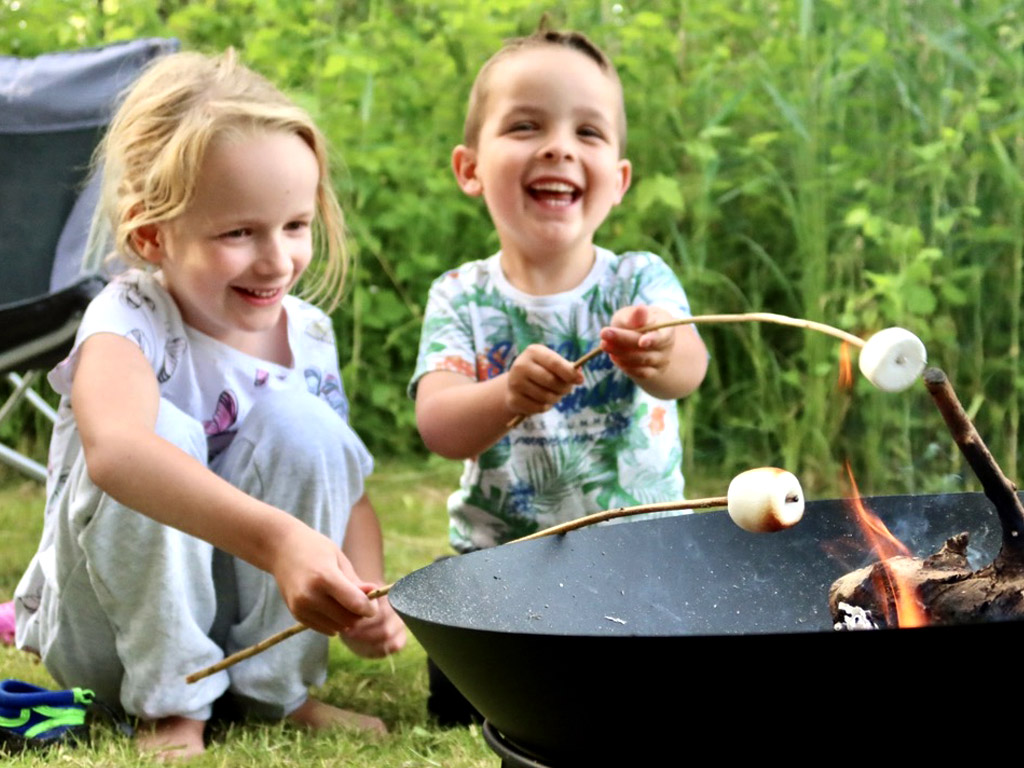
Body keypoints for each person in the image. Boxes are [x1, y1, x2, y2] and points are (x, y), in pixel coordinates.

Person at [13, 49, 405, 759]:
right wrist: (282, 541)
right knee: (155, 439)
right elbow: (118, 456)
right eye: (239, 233)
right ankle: (173, 705)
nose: (277, 260)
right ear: (150, 236)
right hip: (110, 634)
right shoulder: (126, 318)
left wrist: (363, 592)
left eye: (294, 225)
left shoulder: (307, 335)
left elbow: (346, 494)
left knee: (306, 428)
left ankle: (275, 691)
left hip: (240, 620)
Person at [408, 27, 708, 721]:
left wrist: (660, 354)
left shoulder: (639, 280)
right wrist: (505, 395)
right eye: (524, 125)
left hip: (638, 561)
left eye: (588, 132)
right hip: (502, 570)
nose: (559, 146)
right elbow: (440, 423)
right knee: (476, 704)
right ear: (469, 167)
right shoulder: (461, 296)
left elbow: (688, 368)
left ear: (620, 180)